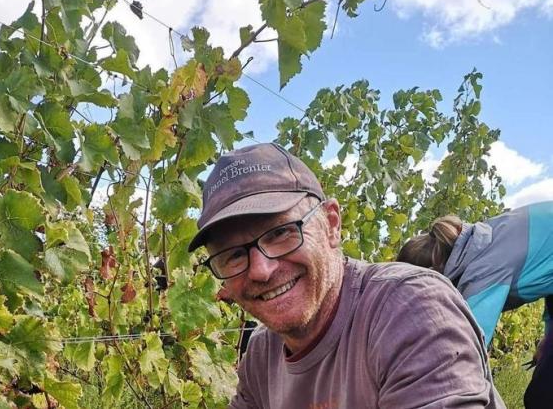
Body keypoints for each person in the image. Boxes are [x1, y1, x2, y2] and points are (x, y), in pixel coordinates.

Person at [187, 143, 504, 409]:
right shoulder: (261, 354)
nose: (260, 269)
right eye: (233, 255)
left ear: (331, 224)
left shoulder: (411, 310)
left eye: (281, 233)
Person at [397, 202, 553, 409]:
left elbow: (465, 349)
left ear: (431, 276)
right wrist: (548, 336)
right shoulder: (478, 243)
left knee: (543, 397)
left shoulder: (483, 270)